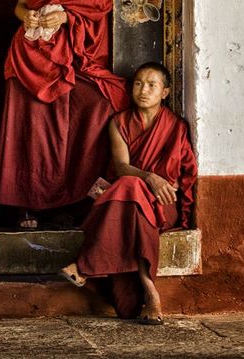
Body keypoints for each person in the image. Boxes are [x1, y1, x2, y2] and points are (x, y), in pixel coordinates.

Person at [0, 0, 129, 228]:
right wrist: (26, 14)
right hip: (31, 54)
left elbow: (97, 9)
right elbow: (20, 5)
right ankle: (25, 203)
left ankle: (72, 197)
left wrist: (67, 15)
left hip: (72, 54)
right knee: (29, 126)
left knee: (93, 109)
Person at [59, 62, 197, 325]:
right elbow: (122, 167)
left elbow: (186, 172)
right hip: (128, 201)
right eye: (138, 83)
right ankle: (150, 292)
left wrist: (184, 211)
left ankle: (84, 266)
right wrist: (150, 178)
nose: (143, 90)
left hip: (161, 202)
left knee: (127, 190)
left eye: (152, 85)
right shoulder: (118, 123)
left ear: (165, 92)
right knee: (130, 190)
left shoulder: (176, 126)